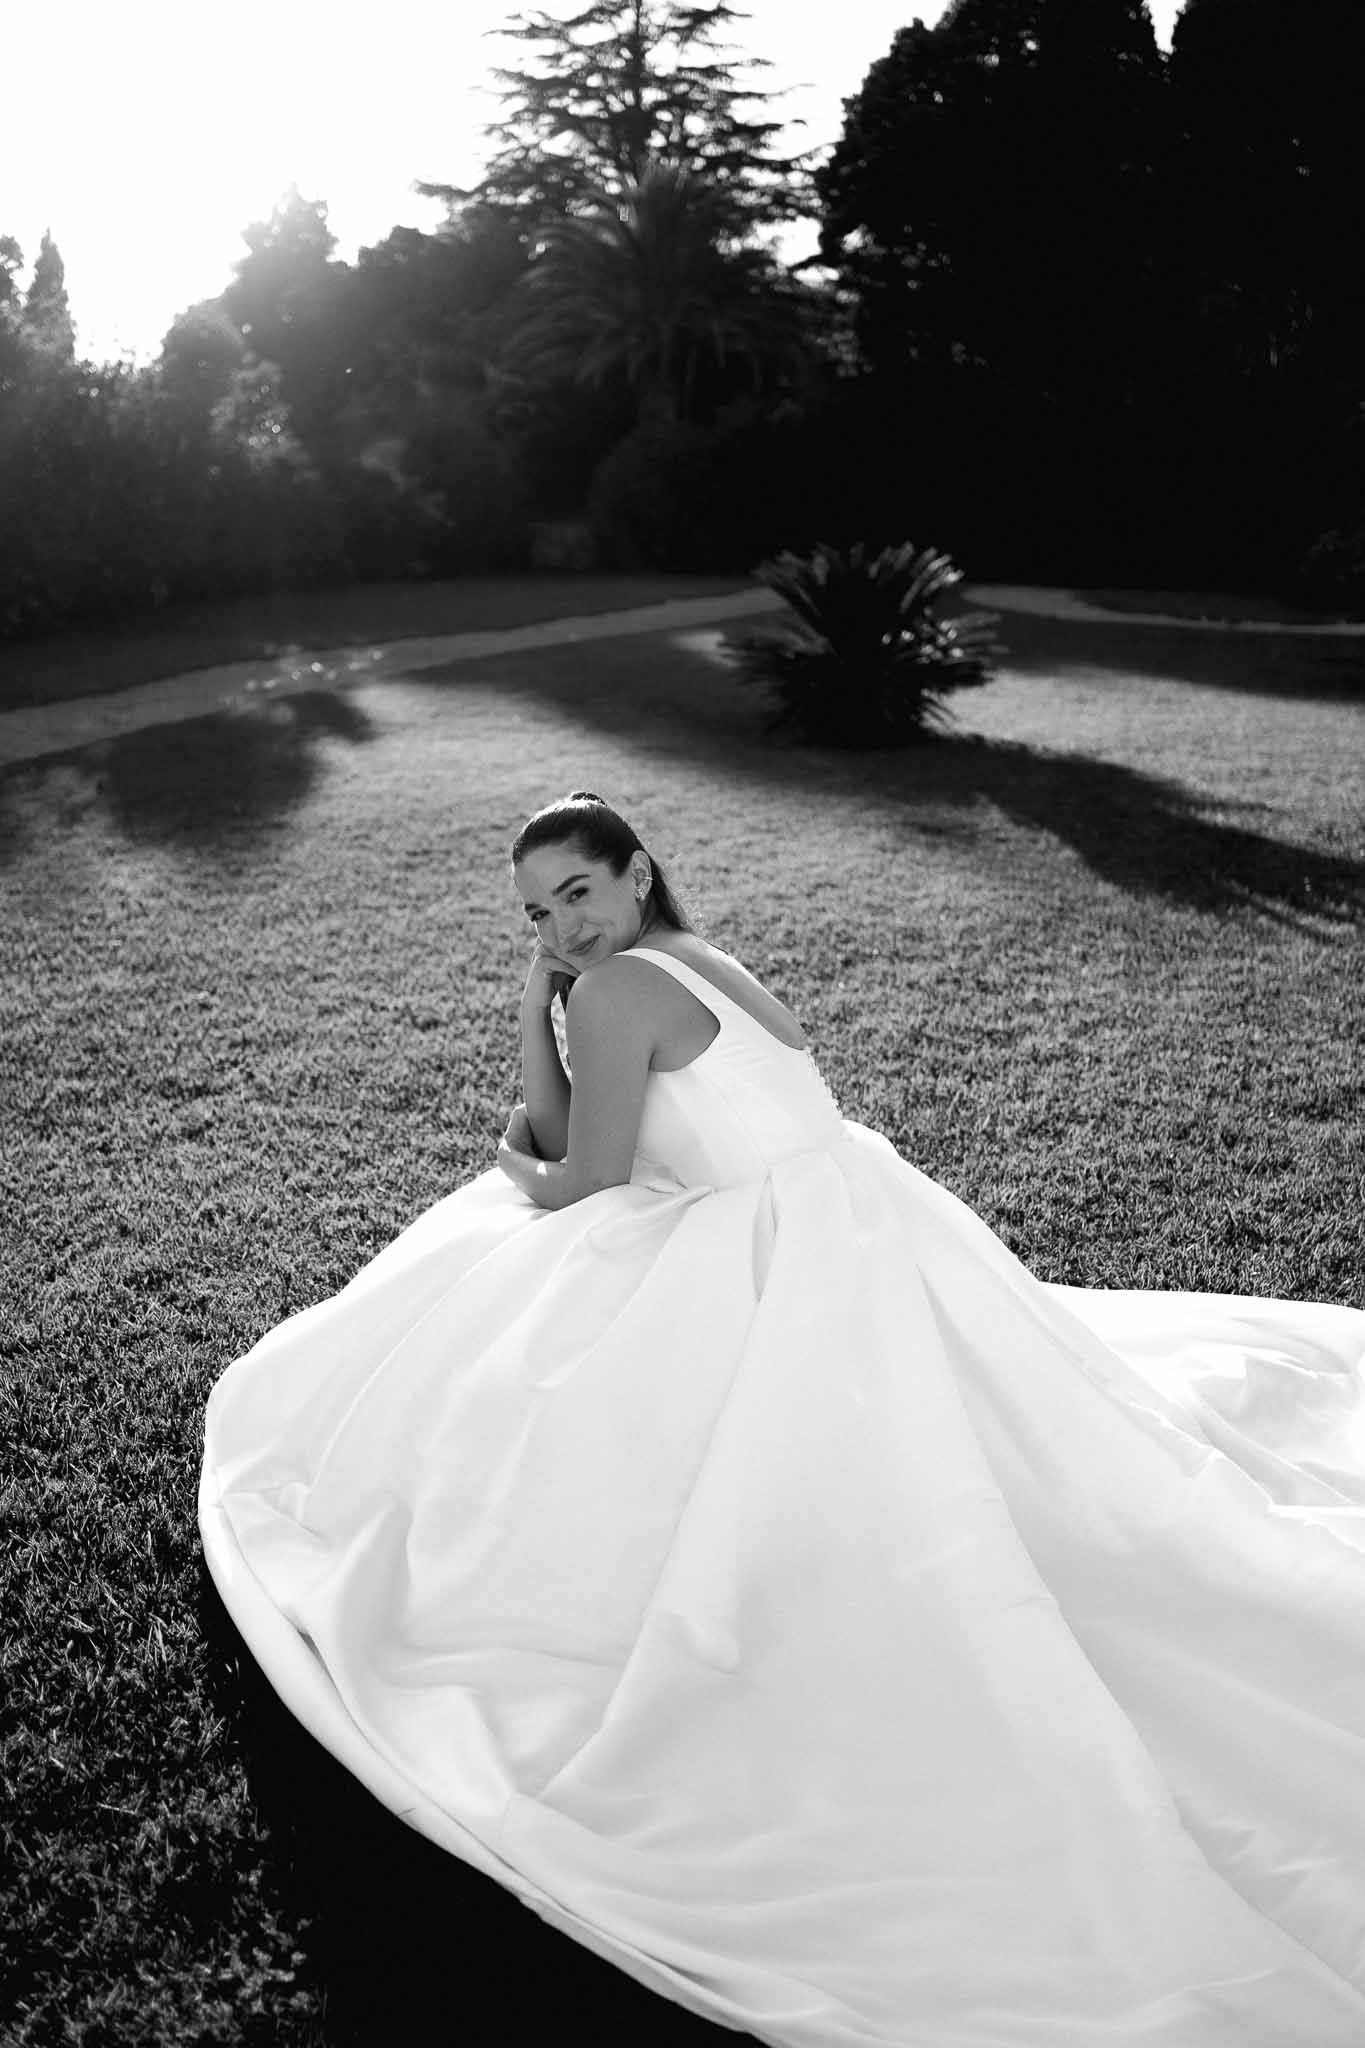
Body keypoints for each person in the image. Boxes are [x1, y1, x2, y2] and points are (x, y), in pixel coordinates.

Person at [200, 790, 1365, 2048]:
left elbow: (569, 1174)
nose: (563, 926)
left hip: (761, 1244)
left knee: (495, 1273)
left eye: (578, 893)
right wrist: (533, 1004)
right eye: (537, 913)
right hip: (841, 1217)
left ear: (635, 871)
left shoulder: (620, 990)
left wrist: (507, 1160)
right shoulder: (699, 954)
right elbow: (594, 1117)